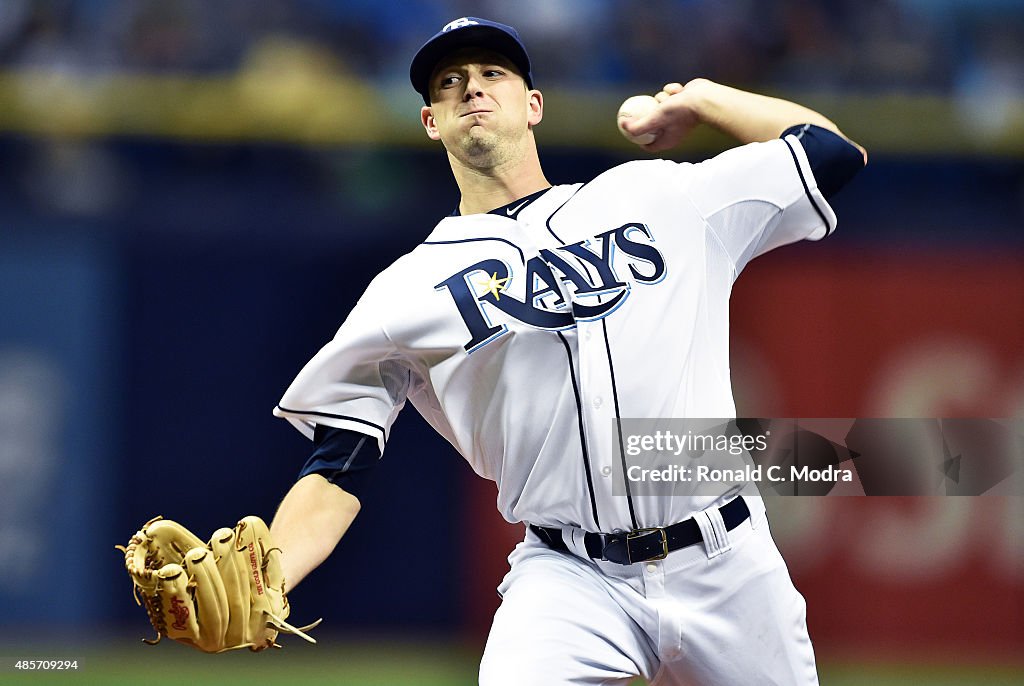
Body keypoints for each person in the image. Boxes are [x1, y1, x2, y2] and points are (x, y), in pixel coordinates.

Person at [268, 16, 866, 686]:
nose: (471, 89)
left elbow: (830, 153)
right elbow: (337, 464)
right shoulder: (407, 290)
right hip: (571, 578)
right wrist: (270, 578)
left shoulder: (656, 195)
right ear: (431, 121)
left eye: (493, 74)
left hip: (725, 558)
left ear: (533, 106)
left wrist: (700, 99)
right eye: (449, 82)